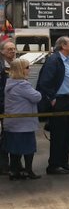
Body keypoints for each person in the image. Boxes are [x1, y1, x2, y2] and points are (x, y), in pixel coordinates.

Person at [36, 36, 69, 175]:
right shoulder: (54, 60)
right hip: (59, 101)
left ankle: (63, 162)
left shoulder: (68, 60)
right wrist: (52, 98)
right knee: (59, 134)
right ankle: (54, 165)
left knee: (68, 133)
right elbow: (45, 81)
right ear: (63, 46)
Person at [3, 58, 42, 180]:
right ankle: (28, 171)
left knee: (14, 149)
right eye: (27, 67)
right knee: (28, 148)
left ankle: (14, 171)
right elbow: (37, 97)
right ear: (21, 70)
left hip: (12, 123)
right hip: (24, 123)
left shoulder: (9, 83)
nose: (29, 70)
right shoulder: (23, 85)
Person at [0, 39, 17, 174]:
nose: (12, 51)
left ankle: (16, 164)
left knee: (14, 135)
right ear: (2, 51)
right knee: (3, 136)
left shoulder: (17, 65)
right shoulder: (1, 66)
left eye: (13, 48)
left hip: (16, 107)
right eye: (9, 49)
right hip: (3, 107)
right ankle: (3, 166)